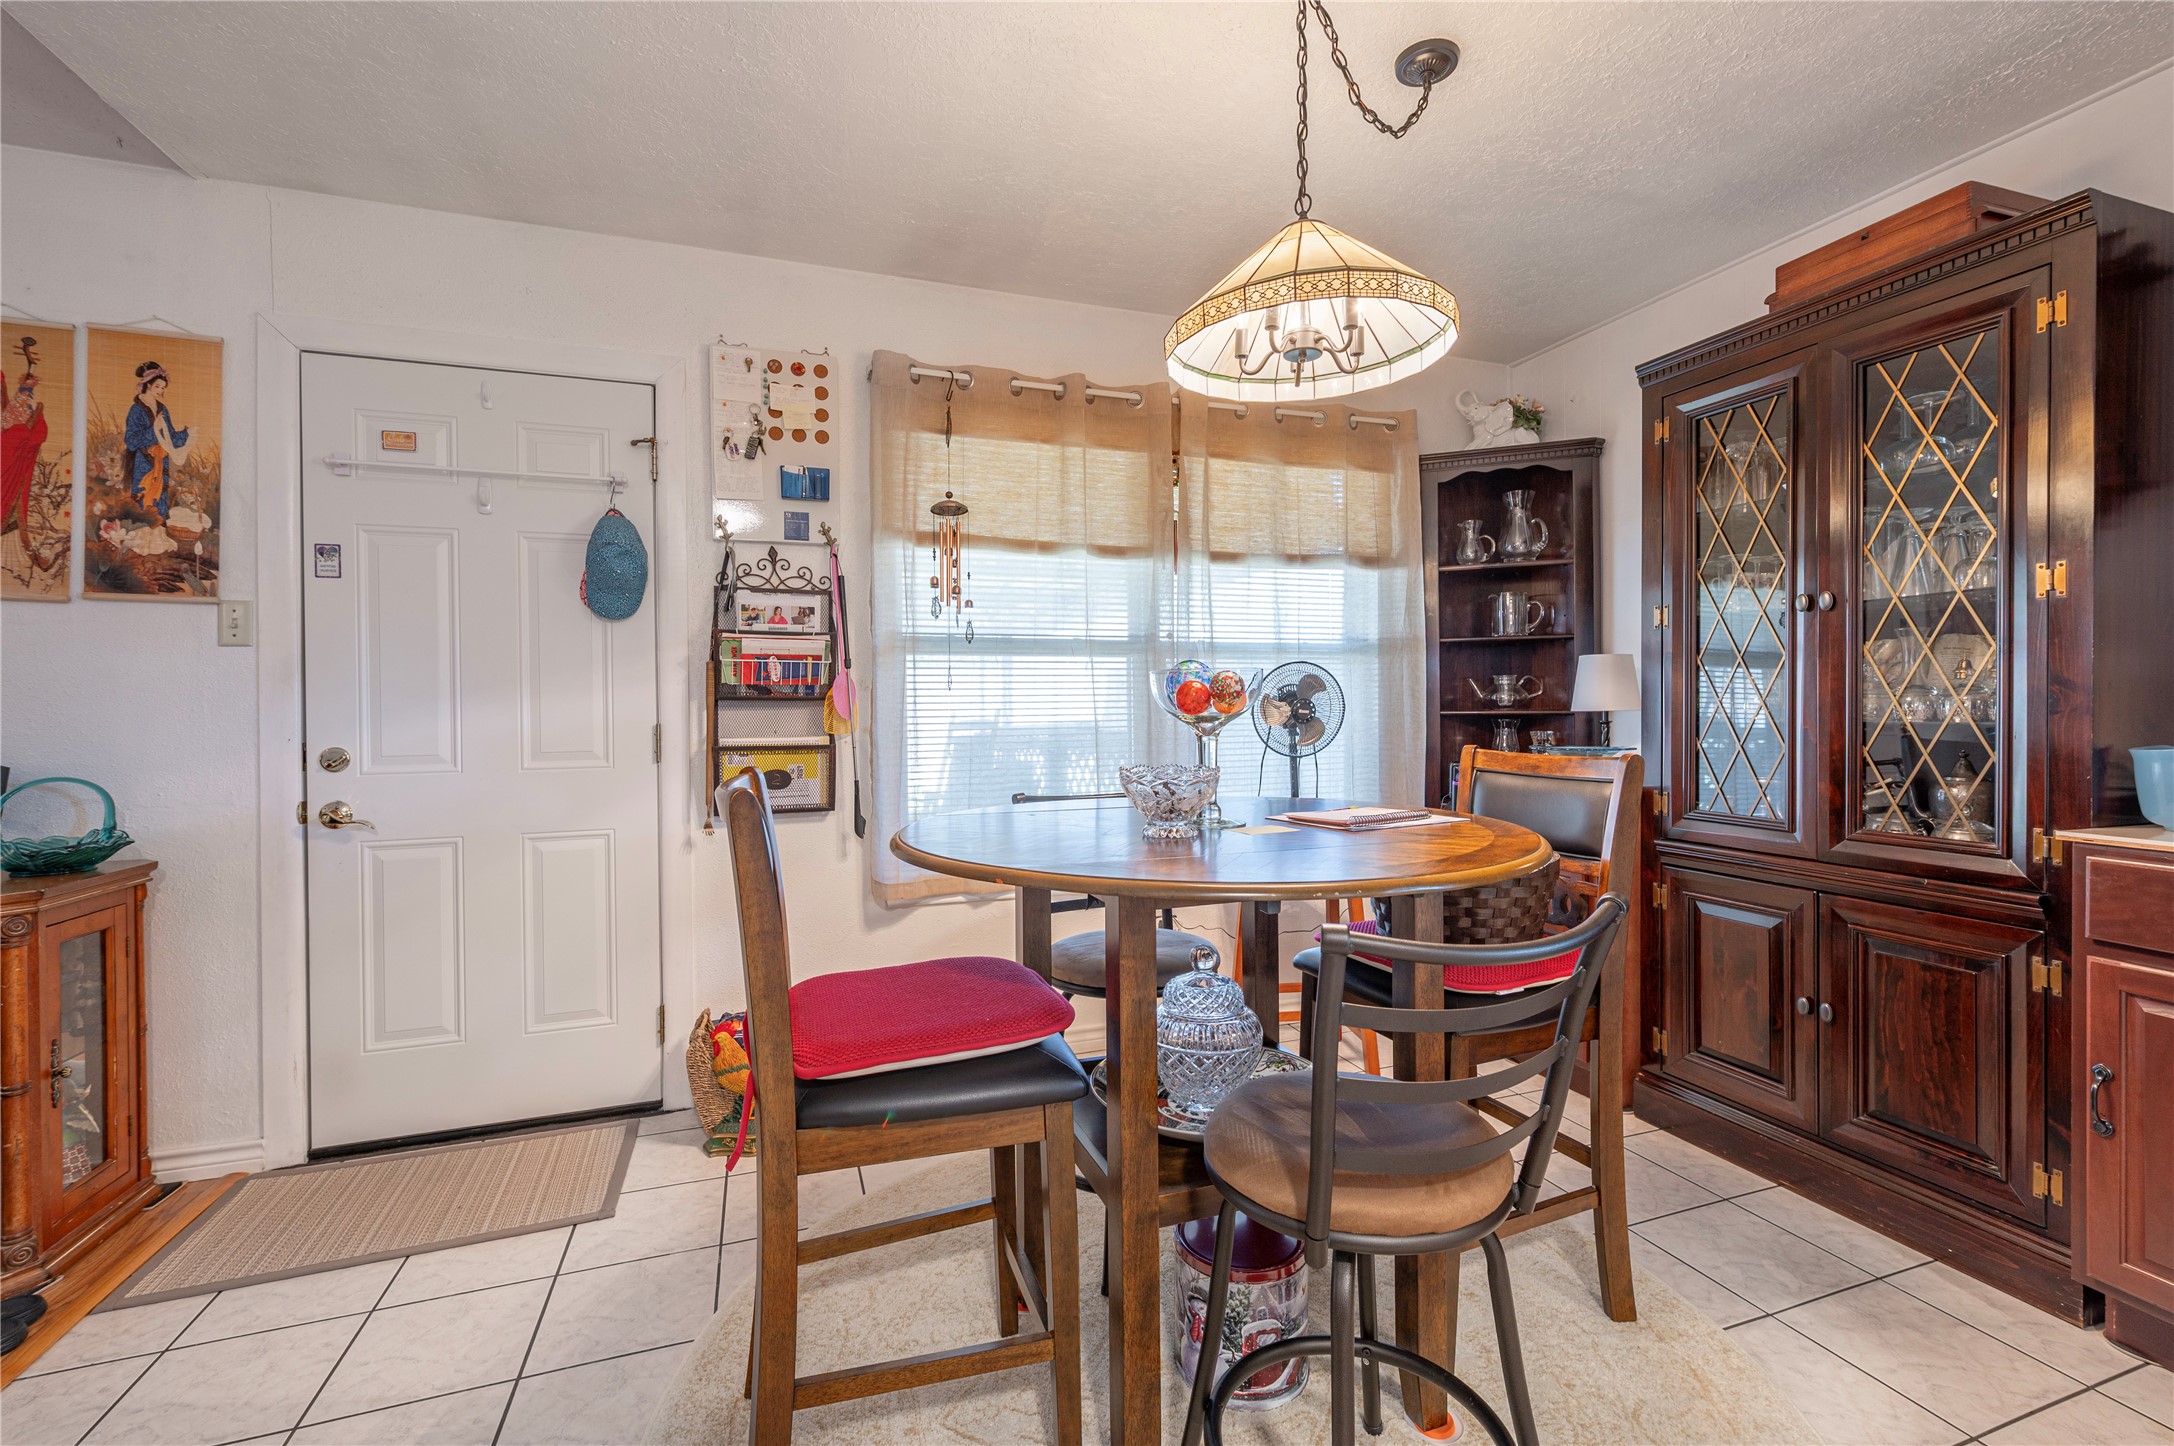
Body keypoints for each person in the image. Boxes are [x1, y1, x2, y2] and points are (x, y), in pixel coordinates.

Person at [123, 360, 191, 522]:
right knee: (143, 496)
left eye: (162, 388)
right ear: (147, 385)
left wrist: (186, 434)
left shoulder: (162, 409)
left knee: (161, 496)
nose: (160, 391)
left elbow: (170, 437)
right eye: (157, 386)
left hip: (162, 461)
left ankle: (160, 526)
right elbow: (131, 441)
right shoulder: (136, 409)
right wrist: (154, 428)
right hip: (144, 461)